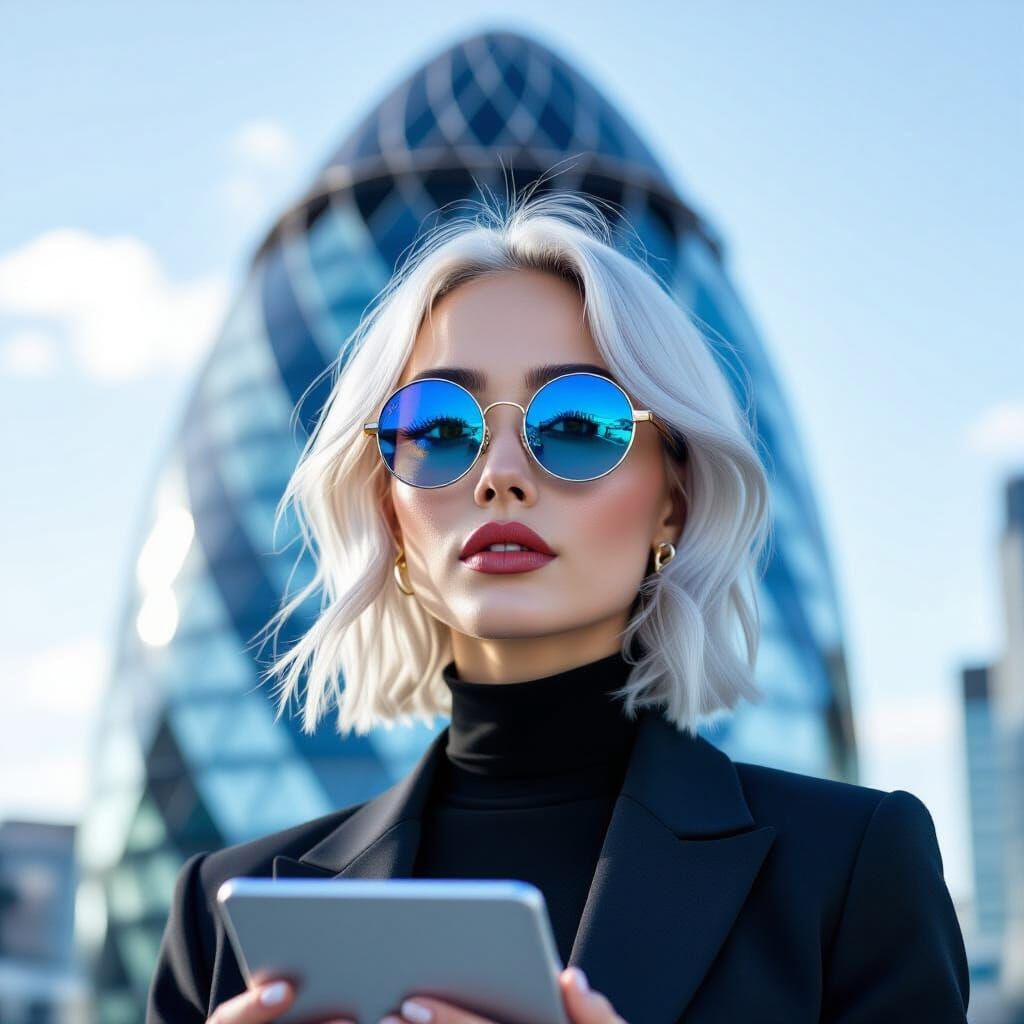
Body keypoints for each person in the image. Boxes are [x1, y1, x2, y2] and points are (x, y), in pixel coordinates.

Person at [146, 190, 970, 1024]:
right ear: (387, 508)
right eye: (437, 428)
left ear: (673, 501)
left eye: (578, 422)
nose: (500, 472)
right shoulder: (223, 920)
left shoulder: (850, 872)